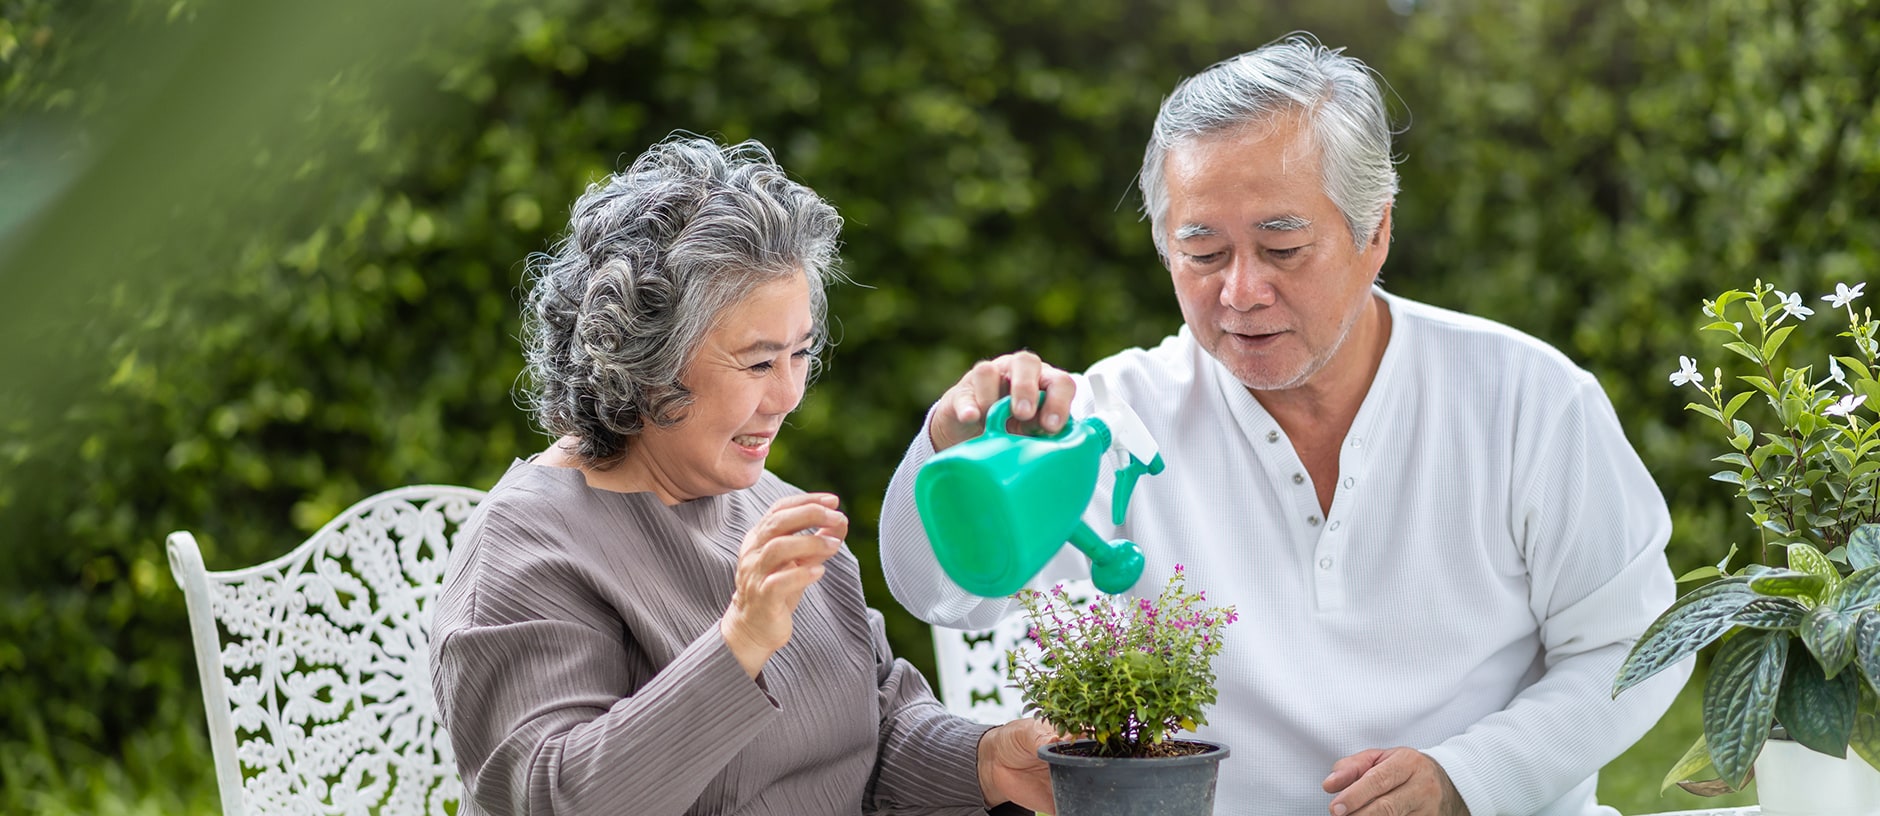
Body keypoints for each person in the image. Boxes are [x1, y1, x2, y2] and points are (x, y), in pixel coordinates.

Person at [878, 36, 1689, 816]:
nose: (1240, 290)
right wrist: (951, 450)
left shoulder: (1526, 400)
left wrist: (1466, 777)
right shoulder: (1107, 422)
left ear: (1376, 231)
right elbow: (942, 594)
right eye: (1201, 253)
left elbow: (1637, 645)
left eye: (1282, 245)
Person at [430, 135, 1058, 816]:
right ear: (643, 361)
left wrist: (990, 759)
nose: (789, 395)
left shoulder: (774, 508)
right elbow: (552, 798)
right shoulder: (528, 548)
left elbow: (875, 733)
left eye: (800, 354)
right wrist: (740, 644)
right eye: (759, 363)